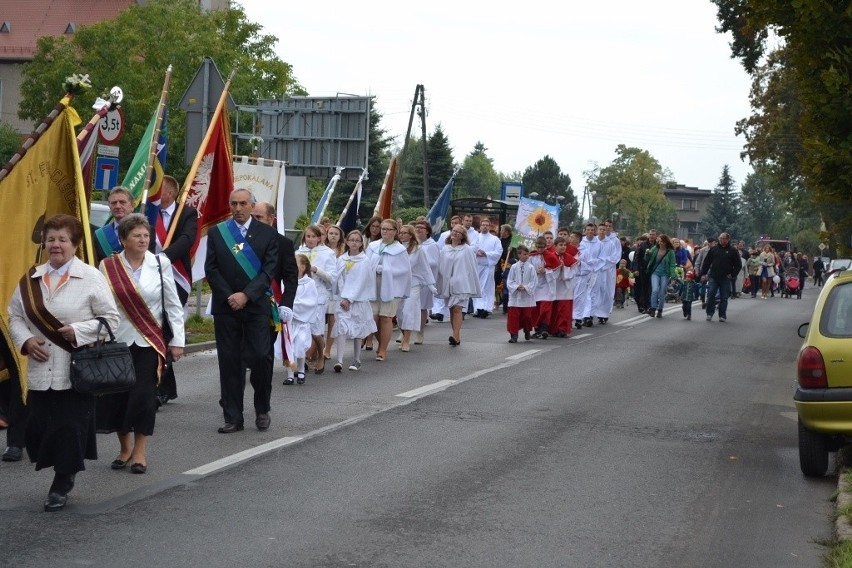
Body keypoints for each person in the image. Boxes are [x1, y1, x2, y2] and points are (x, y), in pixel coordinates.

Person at [8, 214, 120, 512]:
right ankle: (59, 466)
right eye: (51, 239)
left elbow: (111, 320)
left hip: (76, 368)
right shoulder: (31, 278)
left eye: (62, 239)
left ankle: (63, 480)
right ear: (44, 242)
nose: (56, 245)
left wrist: (78, 331)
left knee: (69, 427)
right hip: (40, 368)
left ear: (75, 244)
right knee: (38, 428)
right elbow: (14, 316)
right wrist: (25, 341)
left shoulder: (91, 277)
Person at [96, 214, 185, 475]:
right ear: (123, 239)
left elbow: (172, 305)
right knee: (118, 396)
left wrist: (177, 341)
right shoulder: (107, 266)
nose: (143, 239)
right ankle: (124, 449)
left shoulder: (160, 263)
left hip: (149, 342)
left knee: (143, 397)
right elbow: (101, 304)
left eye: (146, 235)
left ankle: (140, 452)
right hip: (116, 341)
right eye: (137, 235)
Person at [205, 188, 279, 434]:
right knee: (229, 362)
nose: (237, 208)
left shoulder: (267, 234)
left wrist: (246, 294)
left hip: (256, 307)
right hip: (226, 308)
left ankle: (262, 408)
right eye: (233, 203)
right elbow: (211, 268)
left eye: (243, 203)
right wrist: (230, 296)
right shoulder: (218, 233)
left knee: (259, 357)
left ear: (251, 205)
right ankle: (233, 416)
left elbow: (269, 271)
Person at [152, 175, 197, 407]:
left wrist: (162, 258)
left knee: (166, 330)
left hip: (175, 276)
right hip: (150, 276)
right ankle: (163, 386)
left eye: (158, 188)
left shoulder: (186, 213)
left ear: (169, 192)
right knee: (154, 330)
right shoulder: (149, 212)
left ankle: (162, 387)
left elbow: (187, 239)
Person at [251, 202, 298, 366]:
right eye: (252, 217)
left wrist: (286, 304)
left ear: (271, 219)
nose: (254, 221)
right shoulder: (242, 241)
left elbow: (291, 277)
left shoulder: (284, 243)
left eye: (258, 217)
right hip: (246, 303)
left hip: (269, 305)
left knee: (264, 351)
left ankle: (263, 383)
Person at [331, 231, 377, 372]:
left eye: (357, 240)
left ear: (361, 243)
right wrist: (343, 297)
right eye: (352, 240)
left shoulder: (364, 260)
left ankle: (356, 360)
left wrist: (350, 298)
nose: (354, 243)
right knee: (342, 328)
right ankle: (339, 360)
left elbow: (361, 282)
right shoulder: (342, 259)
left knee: (358, 329)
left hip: (358, 300)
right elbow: (338, 278)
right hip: (342, 300)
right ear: (347, 241)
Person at [366, 219, 412, 361]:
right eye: (383, 229)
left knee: (386, 318)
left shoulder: (400, 249)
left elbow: (404, 270)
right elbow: (365, 263)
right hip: (374, 286)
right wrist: (373, 269)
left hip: (391, 288)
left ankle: (383, 350)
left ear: (395, 232)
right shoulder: (373, 246)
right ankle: (381, 342)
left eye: (388, 229)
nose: (384, 231)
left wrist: (385, 270)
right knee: (372, 318)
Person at [295, 225, 337, 374]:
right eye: (308, 236)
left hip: (318, 295)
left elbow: (332, 277)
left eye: (314, 237)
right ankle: (300, 360)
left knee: (315, 331)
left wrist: (316, 270)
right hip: (300, 295)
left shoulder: (327, 253)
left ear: (319, 238)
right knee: (299, 329)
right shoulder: (299, 252)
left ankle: (320, 355)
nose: (310, 239)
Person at [435, 224, 481, 346]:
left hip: (461, 284)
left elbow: (472, 267)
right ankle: (456, 334)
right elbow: (441, 266)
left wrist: (470, 283)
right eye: (453, 231)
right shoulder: (445, 249)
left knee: (457, 308)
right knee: (451, 309)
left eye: (458, 232)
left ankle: (455, 336)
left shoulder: (467, 249)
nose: (454, 233)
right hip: (448, 284)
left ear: (463, 236)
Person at [396, 224, 434, 352]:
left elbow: (425, 268)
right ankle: (403, 331)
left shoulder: (418, 249)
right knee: (400, 313)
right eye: (400, 233)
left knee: (408, 310)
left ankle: (406, 340)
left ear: (411, 235)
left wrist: (430, 284)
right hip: (399, 285)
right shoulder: (395, 248)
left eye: (405, 233)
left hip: (414, 284)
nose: (402, 235)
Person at [283, 255, 319, 385]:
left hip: (302, 322)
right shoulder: (286, 281)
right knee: (289, 348)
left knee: (300, 346)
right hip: (290, 322)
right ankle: (290, 374)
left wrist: (294, 306)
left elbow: (311, 301)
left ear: (303, 267)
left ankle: (301, 370)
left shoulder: (309, 283)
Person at [700, 232, 743, 322]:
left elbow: (738, 265)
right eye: (720, 238)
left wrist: (732, 274)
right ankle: (709, 313)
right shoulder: (714, 249)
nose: (721, 240)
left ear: (727, 240)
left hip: (725, 277)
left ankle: (722, 315)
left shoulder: (733, 250)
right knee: (711, 294)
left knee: (724, 297)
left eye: (723, 238)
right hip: (713, 276)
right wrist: (703, 273)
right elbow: (707, 262)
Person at [429, 215, 461, 323]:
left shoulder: (464, 236)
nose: (454, 225)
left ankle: (451, 311)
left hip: (457, 270)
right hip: (445, 266)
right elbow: (439, 249)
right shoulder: (444, 235)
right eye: (452, 223)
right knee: (441, 289)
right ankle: (438, 312)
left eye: (457, 223)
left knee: (452, 294)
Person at [470, 218, 503, 318]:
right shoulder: (476, 238)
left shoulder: (495, 239)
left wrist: (486, 254)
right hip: (477, 266)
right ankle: (477, 308)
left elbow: (498, 252)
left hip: (488, 266)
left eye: (486, 225)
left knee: (487, 288)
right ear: (480, 226)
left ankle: (486, 308)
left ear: (489, 226)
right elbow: (470, 249)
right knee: (477, 288)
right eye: (483, 224)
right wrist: (476, 252)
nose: (484, 226)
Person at [322, 224, 346, 360]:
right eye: (331, 233)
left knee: (332, 319)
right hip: (324, 287)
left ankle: (328, 348)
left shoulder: (343, 252)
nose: (333, 236)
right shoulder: (322, 250)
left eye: (336, 234)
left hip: (337, 290)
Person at [414, 220, 440, 344]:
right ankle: (405, 332)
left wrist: (421, 262)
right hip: (412, 279)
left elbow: (435, 263)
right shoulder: (412, 244)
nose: (418, 229)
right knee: (406, 307)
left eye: (421, 228)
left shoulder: (431, 245)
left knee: (421, 307)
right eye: (416, 227)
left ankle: (420, 331)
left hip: (425, 281)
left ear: (427, 231)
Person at [529, 236, 559, 336]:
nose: (539, 249)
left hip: (547, 286)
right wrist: (534, 271)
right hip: (536, 286)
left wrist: (546, 271)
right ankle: (537, 329)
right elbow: (528, 269)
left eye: (541, 247)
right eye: (538, 247)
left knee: (545, 309)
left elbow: (556, 272)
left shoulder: (550, 256)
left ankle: (544, 328)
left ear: (545, 246)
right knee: (535, 309)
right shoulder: (531, 256)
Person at [505, 244, 537, 342]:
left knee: (527, 316)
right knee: (514, 317)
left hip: (526, 297)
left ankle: (527, 331)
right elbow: (510, 280)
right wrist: (516, 286)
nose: (526, 256)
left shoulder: (531, 268)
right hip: (515, 297)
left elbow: (534, 281)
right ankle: (514, 335)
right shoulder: (514, 267)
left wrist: (526, 287)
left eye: (527, 254)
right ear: (519, 255)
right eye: (524, 254)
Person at [93, 186, 134, 262]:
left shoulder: (146, 232)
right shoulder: (99, 235)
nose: (118, 206)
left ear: (132, 205)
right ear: (109, 206)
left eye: (122, 202)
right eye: (114, 203)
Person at [592, 220, 620, 325]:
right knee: (595, 291)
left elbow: (616, 256)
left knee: (606, 292)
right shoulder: (594, 241)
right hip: (596, 271)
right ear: (598, 230)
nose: (606, 229)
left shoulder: (614, 242)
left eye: (608, 227)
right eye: (603, 227)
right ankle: (594, 312)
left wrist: (604, 263)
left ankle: (604, 313)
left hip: (608, 271)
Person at [574, 223, 603, 328]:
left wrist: (595, 266)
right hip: (582, 272)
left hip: (594, 271)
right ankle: (583, 316)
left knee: (591, 293)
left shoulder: (599, 244)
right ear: (585, 231)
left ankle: (588, 315)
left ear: (594, 231)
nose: (590, 231)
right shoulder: (582, 243)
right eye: (588, 230)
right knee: (582, 295)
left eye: (592, 230)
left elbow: (602, 258)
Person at [550, 236, 579, 337]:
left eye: (564, 245)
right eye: (560, 245)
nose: (563, 247)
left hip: (566, 287)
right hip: (555, 286)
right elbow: (549, 272)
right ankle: (553, 329)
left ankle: (562, 329)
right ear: (555, 246)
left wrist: (565, 269)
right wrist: (557, 269)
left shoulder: (569, 257)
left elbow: (574, 271)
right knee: (554, 309)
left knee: (564, 309)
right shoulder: (551, 256)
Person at [645, 234, 677, 318]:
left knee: (662, 292)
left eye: (662, 241)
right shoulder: (655, 248)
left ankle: (660, 310)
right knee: (655, 290)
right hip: (655, 273)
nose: (660, 243)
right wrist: (647, 253)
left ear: (666, 242)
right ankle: (653, 308)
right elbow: (647, 259)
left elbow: (672, 265)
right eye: (659, 241)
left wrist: (673, 276)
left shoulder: (670, 252)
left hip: (665, 274)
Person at [632, 229, 658, 313]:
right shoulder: (643, 245)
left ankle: (649, 306)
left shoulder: (658, 245)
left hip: (653, 270)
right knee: (642, 288)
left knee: (651, 288)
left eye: (653, 235)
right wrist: (636, 269)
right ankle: (642, 305)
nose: (651, 236)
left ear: (656, 236)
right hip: (643, 270)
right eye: (650, 234)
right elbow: (637, 258)